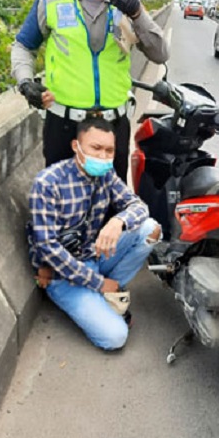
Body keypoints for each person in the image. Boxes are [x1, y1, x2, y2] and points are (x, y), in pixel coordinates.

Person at [11, 0, 169, 183]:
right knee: (62, 200)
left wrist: (136, 12)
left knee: (111, 202)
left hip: (113, 128)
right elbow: (23, 46)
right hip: (63, 128)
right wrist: (25, 82)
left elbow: (160, 53)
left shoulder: (127, 5)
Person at [27, 116, 162, 350]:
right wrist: (98, 283)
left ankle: (107, 292)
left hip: (93, 255)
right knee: (115, 337)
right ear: (76, 146)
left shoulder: (106, 175)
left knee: (150, 228)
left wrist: (117, 222)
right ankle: (105, 293)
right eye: (96, 148)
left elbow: (139, 207)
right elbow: (47, 247)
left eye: (109, 150)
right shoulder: (48, 183)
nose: (102, 156)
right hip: (64, 273)